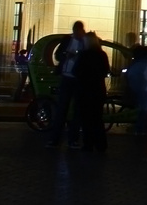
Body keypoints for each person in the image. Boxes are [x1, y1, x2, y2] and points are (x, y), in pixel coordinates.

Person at [46, 21, 87, 149]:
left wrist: (78, 55)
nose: (77, 35)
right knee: (61, 109)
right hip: (66, 77)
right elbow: (58, 55)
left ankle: (73, 140)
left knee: (77, 110)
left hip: (78, 78)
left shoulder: (85, 42)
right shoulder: (67, 40)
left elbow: (88, 57)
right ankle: (55, 139)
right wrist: (65, 55)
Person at [75, 32, 111, 153]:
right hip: (98, 89)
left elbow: (76, 71)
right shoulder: (102, 54)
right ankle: (101, 144)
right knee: (97, 118)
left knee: (86, 119)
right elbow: (106, 70)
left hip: (85, 90)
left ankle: (88, 144)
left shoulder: (84, 55)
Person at [126, 44, 147, 135]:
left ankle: (141, 128)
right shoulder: (144, 64)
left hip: (137, 88)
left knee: (143, 109)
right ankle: (142, 128)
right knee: (145, 109)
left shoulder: (137, 63)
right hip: (143, 89)